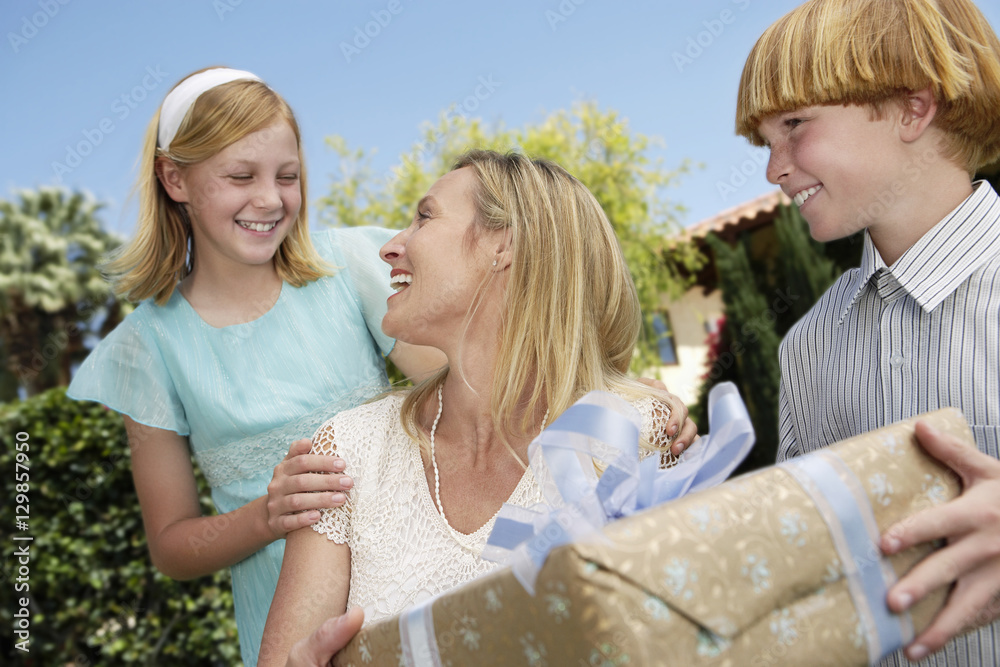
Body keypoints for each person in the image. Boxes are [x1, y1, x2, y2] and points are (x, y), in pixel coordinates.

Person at [65, 66, 449, 666]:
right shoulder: (148, 347)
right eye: (240, 175)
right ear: (175, 179)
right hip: (285, 633)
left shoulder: (348, 267)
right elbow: (171, 546)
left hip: (416, 584)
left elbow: (464, 392)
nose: (270, 199)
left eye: (287, 176)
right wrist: (266, 517)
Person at [257, 150, 693, 664]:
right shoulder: (348, 451)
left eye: (423, 216)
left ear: (503, 244)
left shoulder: (634, 437)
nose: (390, 247)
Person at [735, 0, 1000, 664]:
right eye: (767, 141)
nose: (774, 168)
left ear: (914, 108)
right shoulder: (807, 348)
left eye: (795, 124)